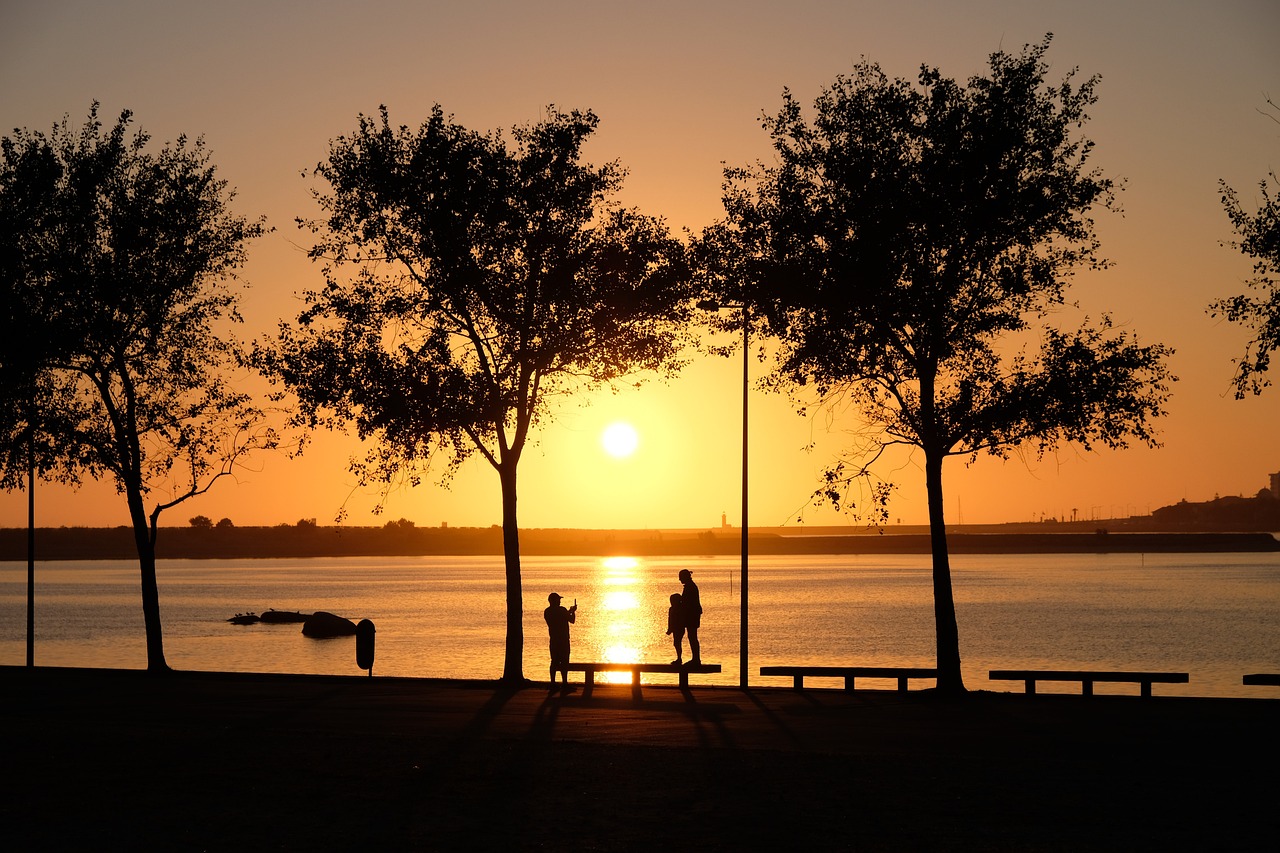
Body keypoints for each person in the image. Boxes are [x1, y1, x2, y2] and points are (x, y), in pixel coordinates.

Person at [543, 592, 576, 687]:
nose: (560, 601)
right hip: (564, 640)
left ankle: (552, 683)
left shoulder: (547, 612)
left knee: (554, 661)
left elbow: (561, 616)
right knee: (564, 662)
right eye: (559, 599)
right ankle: (564, 683)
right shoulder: (562, 610)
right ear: (555, 600)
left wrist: (569, 611)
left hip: (553, 639)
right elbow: (571, 620)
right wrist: (572, 611)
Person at [678, 569, 702, 665]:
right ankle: (695, 659)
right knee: (692, 636)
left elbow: (688, 602)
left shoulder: (690, 587)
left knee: (692, 636)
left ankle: (696, 659)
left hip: (692, 615)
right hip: (692, 614)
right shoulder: (689, 586)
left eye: (681, 577)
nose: (679, 579)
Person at [666, 592, 685, 665]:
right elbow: (670, 619)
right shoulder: (672, 609)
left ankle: (679, 658)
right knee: (676, 643)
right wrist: (670, 629)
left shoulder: (680, 609)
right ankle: (679, 658)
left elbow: (678, 619)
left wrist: (670, 628)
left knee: (677, 642)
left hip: (679, 628)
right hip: (675, 628)